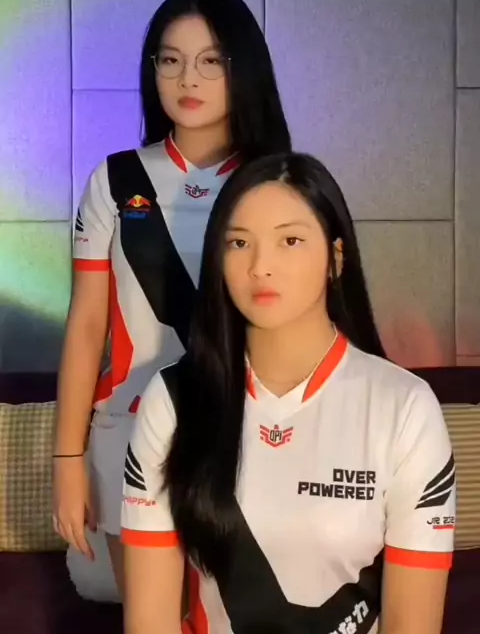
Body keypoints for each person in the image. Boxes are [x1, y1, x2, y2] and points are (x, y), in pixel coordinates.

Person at [121, 152, 456, 634]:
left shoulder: (405, 408)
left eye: (290, 241)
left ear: (335, 258)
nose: (261, 267)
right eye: (239, 243)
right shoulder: (173, 401)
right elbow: (150, 621)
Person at [53, 0, 292, 597]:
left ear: (243, 68)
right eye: (170, 59)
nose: (188, 78)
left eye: (211, 60)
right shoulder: (115, 180)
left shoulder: (278, 182)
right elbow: (87, 326)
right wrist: (67, 461)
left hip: (247, 437)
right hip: (126, 434)